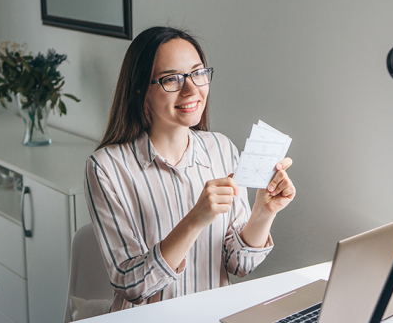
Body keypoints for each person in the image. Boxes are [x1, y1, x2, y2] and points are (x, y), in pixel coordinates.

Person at [84, 26, 296, 312]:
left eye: (198, 73)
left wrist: (264, 212)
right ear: (140, 89)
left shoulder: (222, 148)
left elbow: (240, 265)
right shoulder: (106, 168)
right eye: (171, 78)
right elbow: (132, 286)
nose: (192, 89)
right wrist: (195, 220)